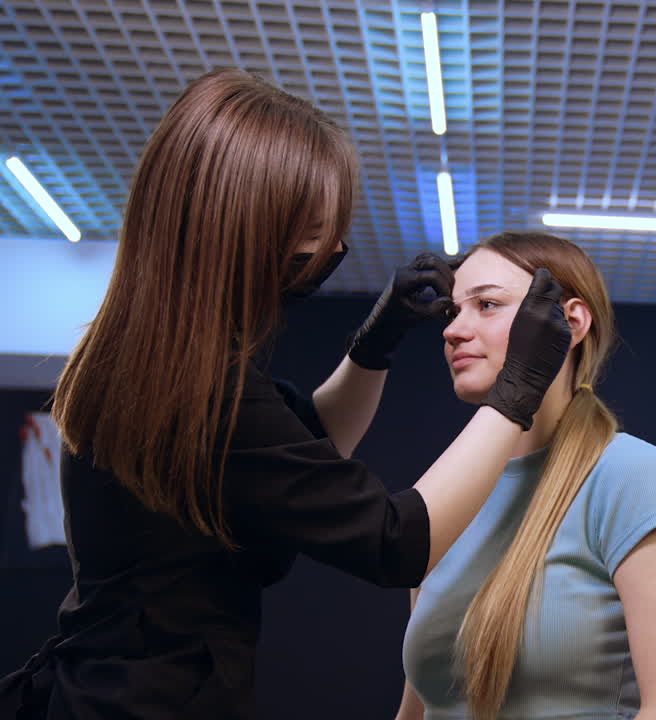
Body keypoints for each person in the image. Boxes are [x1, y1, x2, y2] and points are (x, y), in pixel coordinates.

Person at [0, 69, 571, 720]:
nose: (333, 247)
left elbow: (304, 449)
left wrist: (374, 344)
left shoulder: (151, 360)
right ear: (251, 224)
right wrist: (516, 392)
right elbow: (395, 542)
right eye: (318, 227)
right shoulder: (204, 394)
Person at [396, 231, 656, 720]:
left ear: (570, 322)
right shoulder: (444, 491)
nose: (453, 330)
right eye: (451, 312)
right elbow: (419, 710)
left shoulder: (626, 474)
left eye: (485, 304)